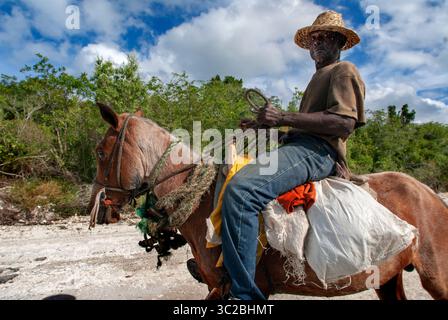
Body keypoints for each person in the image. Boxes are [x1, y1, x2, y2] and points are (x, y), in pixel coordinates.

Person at [220, 10, 366, 300]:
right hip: (301, 147)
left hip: (318, 153)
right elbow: (299, 132)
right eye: (313, 38)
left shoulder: (343, 70)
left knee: (241, 191)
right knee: (227, 177)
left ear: (339, 41)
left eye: (325, 37)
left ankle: (245, 298)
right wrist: (264, 130)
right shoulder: (316, 79)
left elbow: (343, 123)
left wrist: (284, 116)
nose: (317, 43)